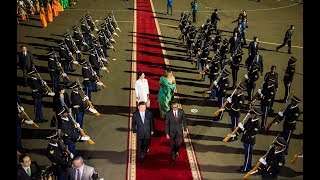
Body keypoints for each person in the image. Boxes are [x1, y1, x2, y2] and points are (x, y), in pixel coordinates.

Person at [233, 108, 262, 173]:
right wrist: (236, 134)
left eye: (253, 114)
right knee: (247, 154)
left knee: (248, 155)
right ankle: (247, 166)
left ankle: (246, 168)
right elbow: (244, 126)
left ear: (256, 115)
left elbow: (251, 133)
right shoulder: (250, 119)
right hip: (246, 139)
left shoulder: (257, 125)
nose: (251, 114)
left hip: (250, 141)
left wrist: (243, 128)